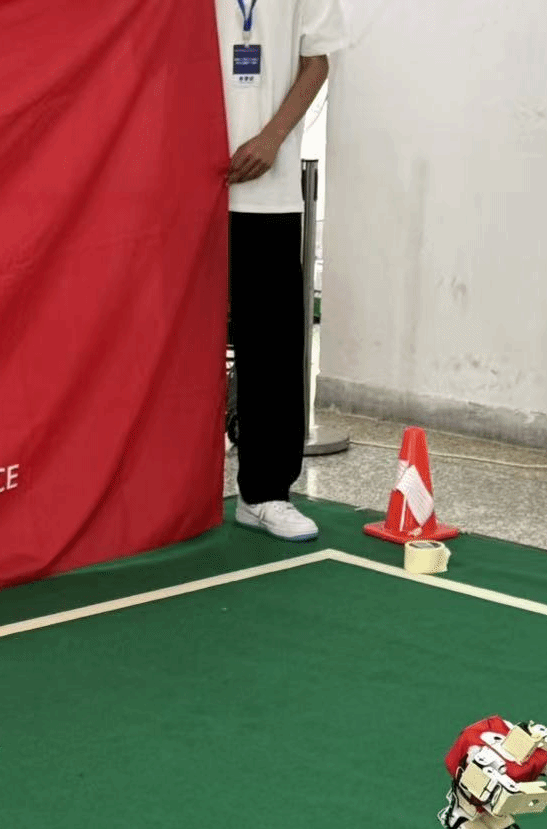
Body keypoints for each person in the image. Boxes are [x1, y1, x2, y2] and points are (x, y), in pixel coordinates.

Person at [216, 0, 346, 541]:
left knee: (270, 342)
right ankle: (161, 492)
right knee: (169, 345)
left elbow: (316, 60)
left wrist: (272, 138)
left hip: (265, 187)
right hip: (179, 185)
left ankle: (265, 493)